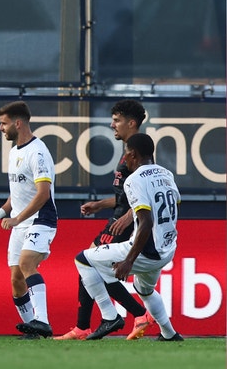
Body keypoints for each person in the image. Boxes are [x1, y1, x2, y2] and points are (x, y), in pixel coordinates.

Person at [56, 99, 154, 340]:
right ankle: (84, 326)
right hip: (117, 216)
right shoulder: (128, 152)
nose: (112, 125)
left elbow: (149, 193)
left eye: (117, 120)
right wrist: (99, 204)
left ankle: (135, 315)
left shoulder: (139, 153)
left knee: (87, 262)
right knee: (87, 264)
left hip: (125, 222)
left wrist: (129, 215)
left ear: (131, 123)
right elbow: (126, 195)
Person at [74, 133, 182, 341]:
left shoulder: (133, 180)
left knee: (83, 260)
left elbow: (146, 221)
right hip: (168, 248)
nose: (125, 159)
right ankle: (169, 334)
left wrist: (128, 261)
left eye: (126, 154)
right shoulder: (167, 174)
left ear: (132, 154)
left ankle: (109, 316)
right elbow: (174, 204)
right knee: (144, 289)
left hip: (146, 250)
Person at [0, 101, 58, 339]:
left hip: (41, 219)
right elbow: (17, 193)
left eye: (3, 124)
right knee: (16, 280)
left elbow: (43, 193)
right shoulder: (14, 151)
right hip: (20, 221)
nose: (0, 129)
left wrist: (16, 219)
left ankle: (42, 321)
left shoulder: (38, 152)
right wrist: (0, 213)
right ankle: (33, 329)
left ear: (18, 123)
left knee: (27, 265)